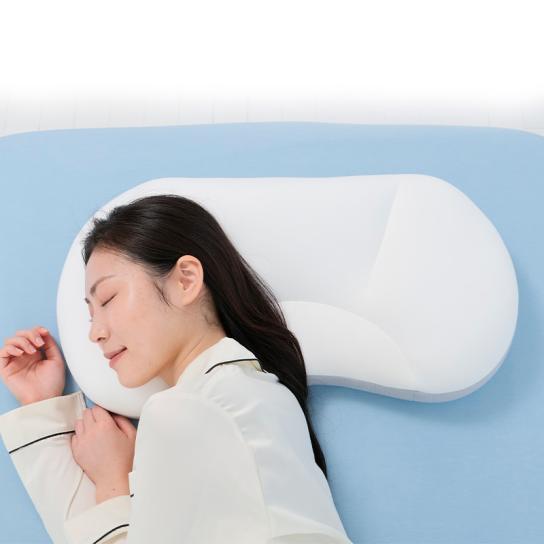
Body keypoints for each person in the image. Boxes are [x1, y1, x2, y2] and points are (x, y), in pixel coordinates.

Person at [0, 194, 352, 543]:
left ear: (185, 280)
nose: (95, 333)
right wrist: (41, 407)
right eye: (91, 314)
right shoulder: (266, 395)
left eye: (107, 299)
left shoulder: (185, 409)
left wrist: (112, 484)